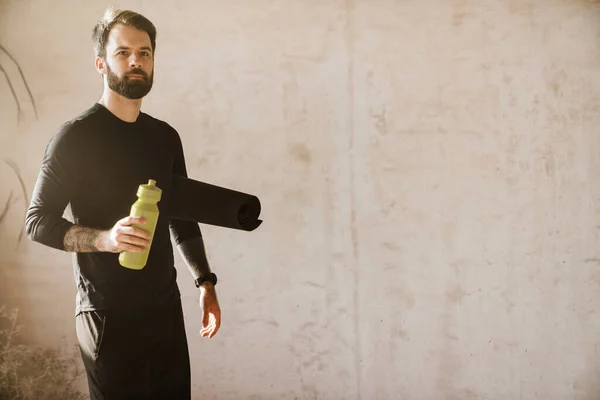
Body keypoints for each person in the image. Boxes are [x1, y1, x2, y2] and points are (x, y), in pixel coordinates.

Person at [25, 8, 221, 399]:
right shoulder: (75, 138)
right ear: (101, 63)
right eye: (123, 52)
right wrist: (106, 239)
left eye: (145, 53)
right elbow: (37, 221)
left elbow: (180, 217)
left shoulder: (165, 138)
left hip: (164, 312)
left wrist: (205, 282)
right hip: (106, 315)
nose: (136, 60)